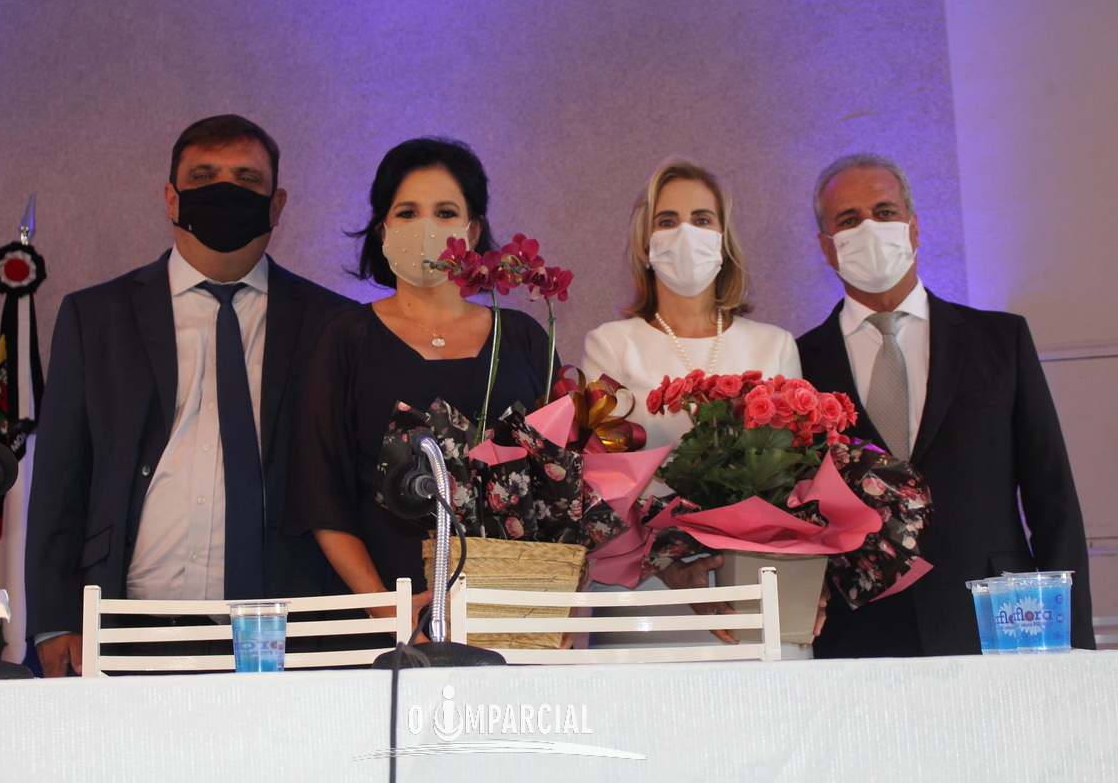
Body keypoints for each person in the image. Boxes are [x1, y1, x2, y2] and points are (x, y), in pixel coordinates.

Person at [24, 114, 352, 676]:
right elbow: (61, 476)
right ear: (172, 198)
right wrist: (55, 619)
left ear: (277, 205)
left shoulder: (334, 324)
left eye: (247, 180)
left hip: (287, 638)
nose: (226, 190)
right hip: (124, 629)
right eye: (204, 177)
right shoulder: (95, 317)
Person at [797, 153, 1095, 657]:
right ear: (827, 247)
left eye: (885, 212)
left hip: (996, 623)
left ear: (914, 228)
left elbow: (1054, 501)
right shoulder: (798, 365)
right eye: (848, 219)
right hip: (858, 636)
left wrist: (1075, 649)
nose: (870, 228)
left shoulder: (1000, 341)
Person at [283, 137, 553, 624]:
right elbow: (320, 494)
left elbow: (562, 486)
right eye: (407, 213)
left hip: (516, 610)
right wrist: (386, 610)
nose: (427, 228)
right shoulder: (345, 338)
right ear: (382, 229)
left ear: (473, 231)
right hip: (390, 613)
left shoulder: (522, 336)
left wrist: (561, 604)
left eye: (446, 213)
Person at [580, 158, 802, 648]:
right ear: (645, 244)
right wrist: (669, 564)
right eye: (667, 220)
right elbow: (603, 480)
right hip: (646, 592)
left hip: (754, 584)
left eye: (702, 219)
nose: (685, 233)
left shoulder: (775, 345)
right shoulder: (610, 345)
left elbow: (797, 484)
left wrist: (809, 579)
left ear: (723, 239)